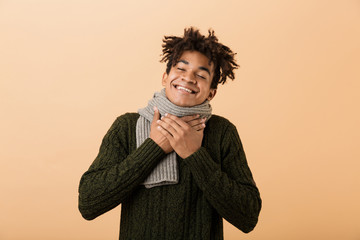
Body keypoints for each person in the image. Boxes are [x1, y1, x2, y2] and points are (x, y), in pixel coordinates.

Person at [78, 27, 262, 240]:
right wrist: (153, 148)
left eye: (201, 75)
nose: (189, 78)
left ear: (211, 92)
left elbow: (248, 217)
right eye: (181, 69)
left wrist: (195, 155)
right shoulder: (126, 126)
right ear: (165, 77)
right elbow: (88, 203)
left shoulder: (222, 132)